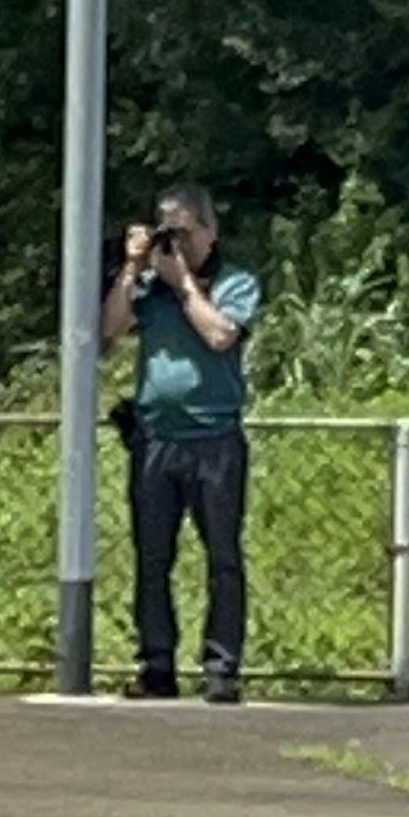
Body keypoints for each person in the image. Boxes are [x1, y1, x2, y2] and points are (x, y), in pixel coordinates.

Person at [108, 184, 263, 701]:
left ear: (210, 231)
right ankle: (156, 665)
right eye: (166, 232)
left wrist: (186, 286)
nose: (176, 244)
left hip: (215, 439)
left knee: (222, 556)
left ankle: (222, 667)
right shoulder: (149, 286)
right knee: (152, 557)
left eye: (185, 233)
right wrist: (133, 269)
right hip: (156, 440)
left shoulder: (234, 283)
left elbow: (221, 337)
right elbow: (107, 329)